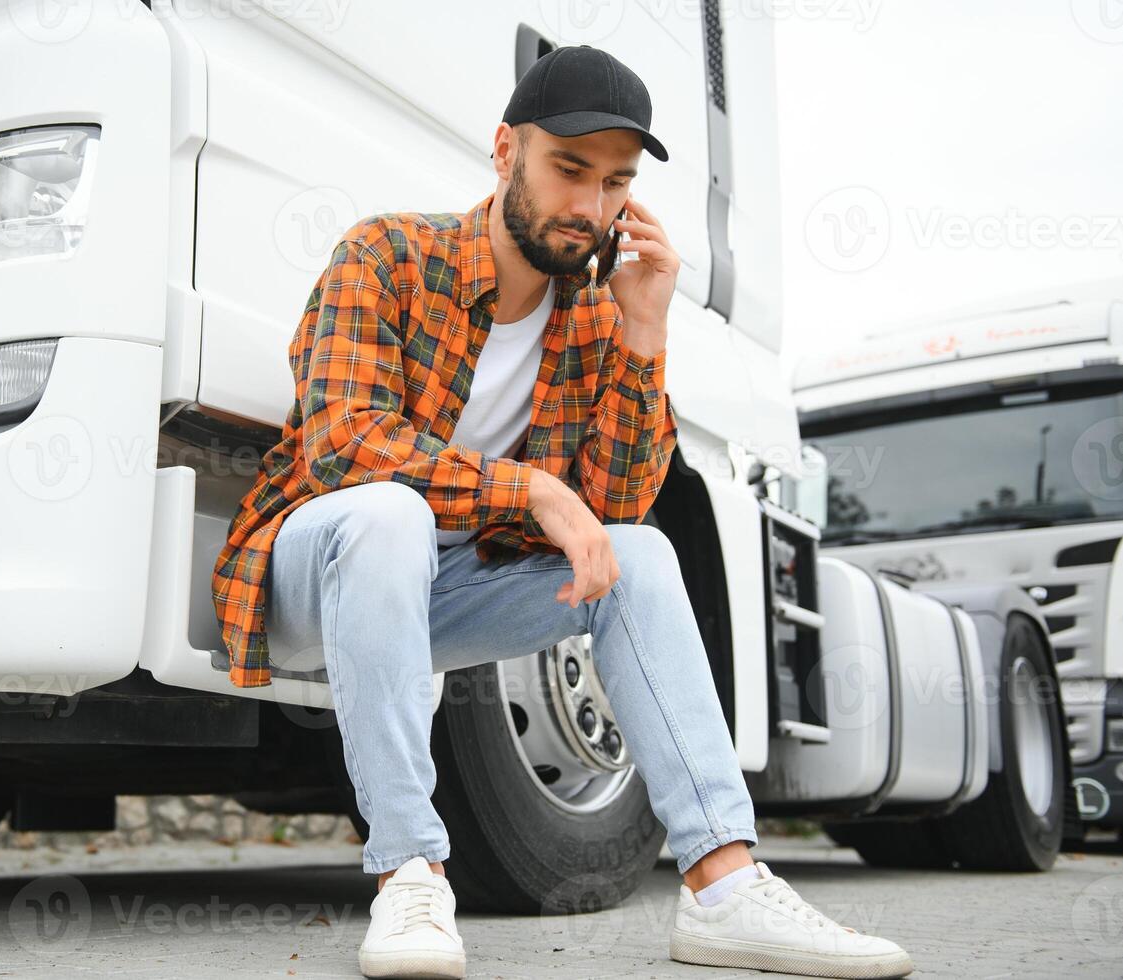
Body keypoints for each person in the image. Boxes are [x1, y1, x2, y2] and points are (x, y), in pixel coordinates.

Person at [212, 44, 915, 980]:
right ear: (506, 149)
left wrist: (644, 329)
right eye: (568, 170)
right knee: (388, 516)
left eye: (615, 183)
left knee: (643, 553)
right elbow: (344, 445)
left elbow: (613, 510)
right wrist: (533, 490)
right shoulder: (385, 253)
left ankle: (723, 885)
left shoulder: (591, 319)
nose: (590, 207)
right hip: (321, 567)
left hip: (452, 593)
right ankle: (409, 875)